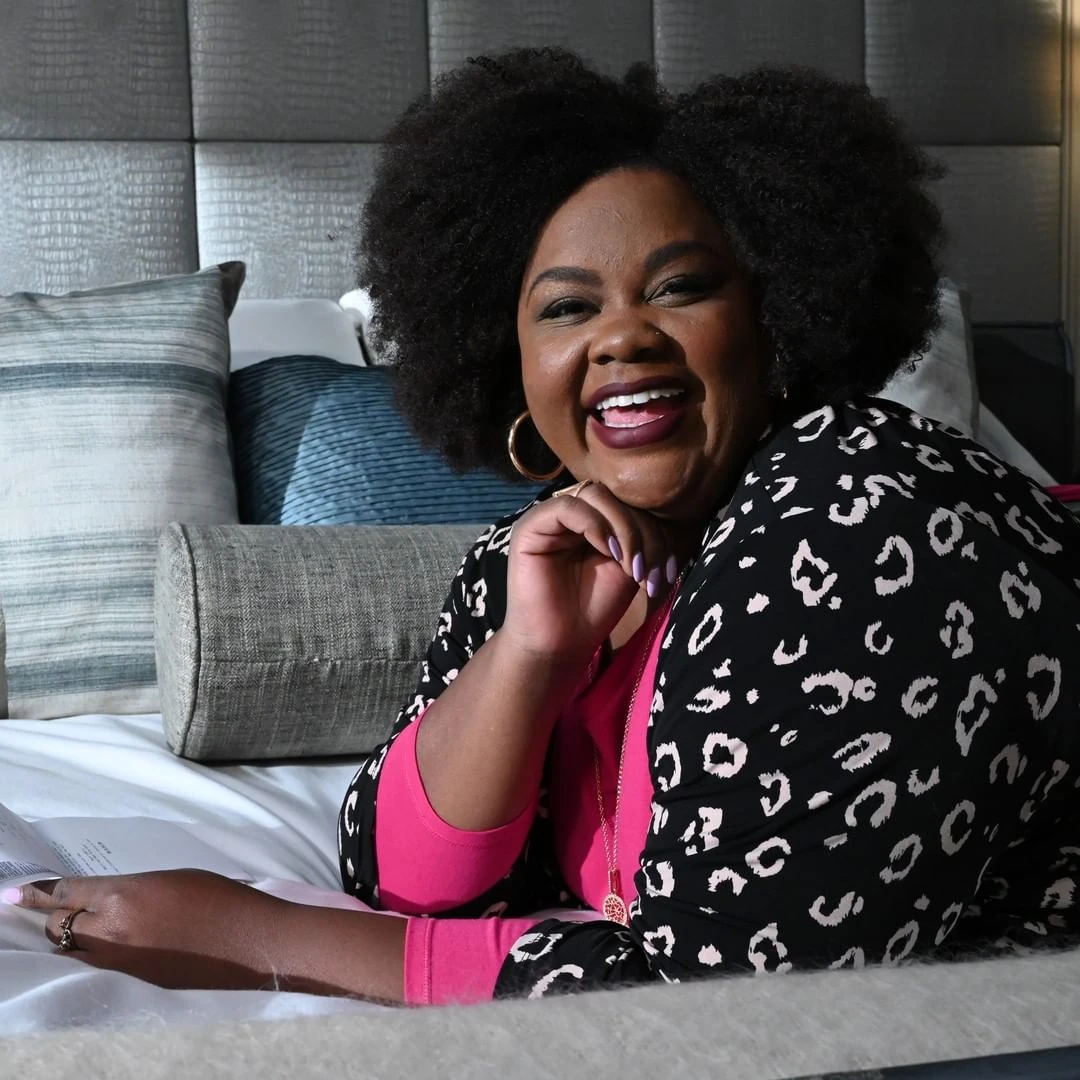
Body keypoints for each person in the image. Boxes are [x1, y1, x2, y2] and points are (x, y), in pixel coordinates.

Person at [7, 49, 1080, 1005]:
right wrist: (531, 657)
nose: (623, 338)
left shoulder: (864, 518)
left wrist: (260, 939)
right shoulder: (532, 558)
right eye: (567, 307)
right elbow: (396, 874)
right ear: (506, 360)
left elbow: (745, 1000)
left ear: (777, 321)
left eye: (681, 288)